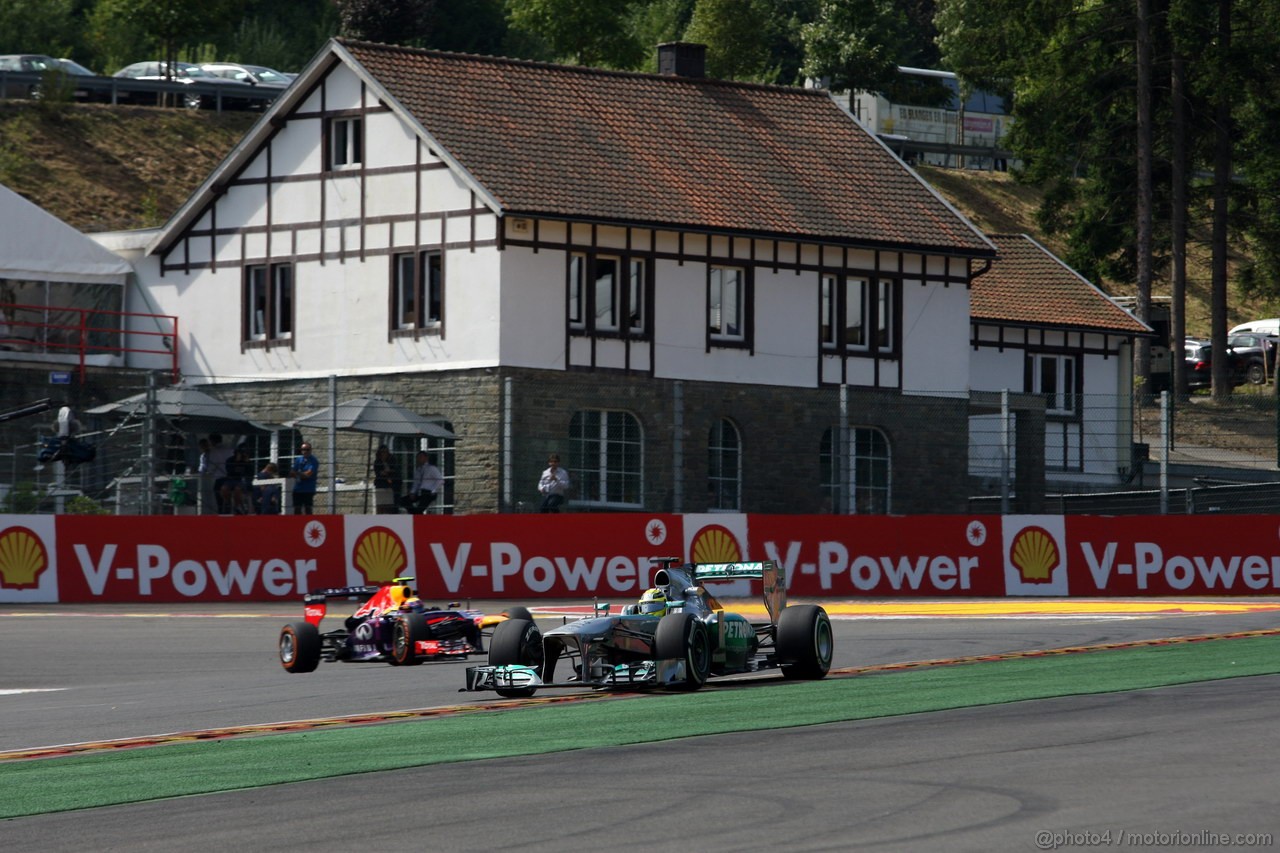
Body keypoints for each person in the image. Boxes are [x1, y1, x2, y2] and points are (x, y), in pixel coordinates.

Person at [204, 433, 233, 513]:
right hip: (230, 478)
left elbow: (211, 467)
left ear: (212, 441)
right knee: (228, 500)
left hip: (220, 479)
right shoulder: (229, 449)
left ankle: (221, 514)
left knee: (219, 501)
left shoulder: (213, 451)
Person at [290, 442, 319, 514]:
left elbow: (308, 474)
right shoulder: (298, 460)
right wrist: (301, 474)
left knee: (308, 508)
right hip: (298, 488)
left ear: (310, 450)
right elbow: (292, 473)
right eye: (303, 449)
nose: (305, 451)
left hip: (308, 489)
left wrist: (298, 474)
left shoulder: (313, 461)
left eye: (307, 449)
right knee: (297, 508)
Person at [372, 445, 400, 514]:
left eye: (385, 452)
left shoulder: (392, 460)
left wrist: (387, 472)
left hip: (391, 487)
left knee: (390, 507)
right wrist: (386, 474)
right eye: (382, 452)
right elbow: (379, 473)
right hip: (381, 485)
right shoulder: (377, 462)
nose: (384, 454)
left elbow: (395, 471)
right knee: (381, 506)